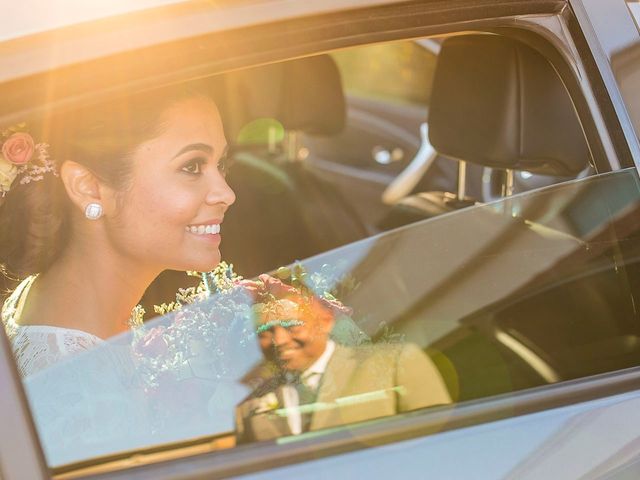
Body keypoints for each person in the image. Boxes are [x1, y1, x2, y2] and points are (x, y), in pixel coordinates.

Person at [0, 80, 236, 377]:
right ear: (88, 189)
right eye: (192, 167)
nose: (226, 194)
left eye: (222, 163)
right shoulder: (77, 383)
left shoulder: (50, 302)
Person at [235, 282, 451, 443]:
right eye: (265, 331)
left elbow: (443, 445)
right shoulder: (248, 409)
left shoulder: (396, 364)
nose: (279, 340)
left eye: (292, 325)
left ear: (326, 321)